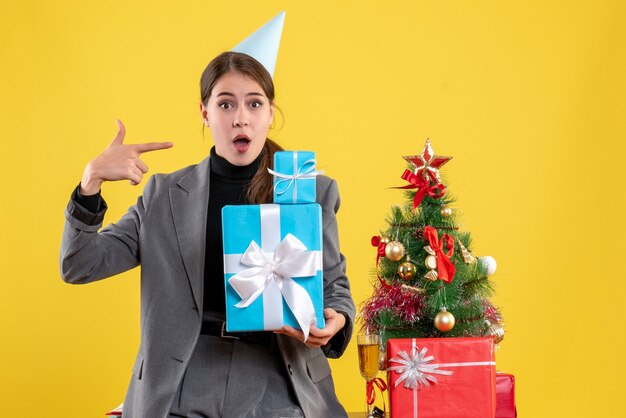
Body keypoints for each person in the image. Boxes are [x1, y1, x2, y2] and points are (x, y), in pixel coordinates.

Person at [60, 49, 354, 418]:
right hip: (183, 380)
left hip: (280, 379)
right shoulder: (163, 196)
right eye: (226, 105)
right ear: (205, 112)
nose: (240, 119)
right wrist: (91, 183)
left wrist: (336, 319)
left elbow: (334, 286)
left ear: (270, 112)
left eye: (254, 103)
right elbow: (79, 264)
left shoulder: (309, 191)